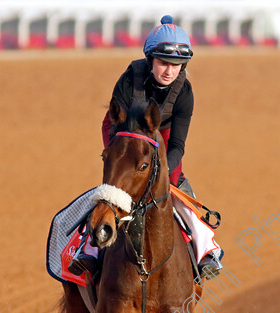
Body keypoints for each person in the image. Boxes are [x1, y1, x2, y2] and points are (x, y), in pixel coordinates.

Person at [70, 15, 223, 280]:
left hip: (161, 133)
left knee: (174, 181)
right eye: (163, 63)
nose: (169, 71)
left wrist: (160, 172)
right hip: (123, 130)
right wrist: (122, 162)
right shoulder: (129, 80)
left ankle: (205, 250)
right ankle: (88, 251)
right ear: (150, 59)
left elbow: (177, 144)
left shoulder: (184, 92)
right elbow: (116, 126)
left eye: (177, 65)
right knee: (117, 181)